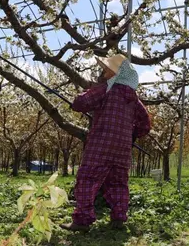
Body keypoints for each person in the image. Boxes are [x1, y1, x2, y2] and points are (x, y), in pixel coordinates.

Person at [60, 54, 151, 232]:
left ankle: (83, 220)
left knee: (87, 178)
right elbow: (145, 125)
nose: (104, 71)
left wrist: (86, 95)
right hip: (122, 149)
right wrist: (131, 136)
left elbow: (80, 103)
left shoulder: (106, 89)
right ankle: (118, 218)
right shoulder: (134, 99)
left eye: (107, 69)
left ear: (116, 72)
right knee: (118, 182)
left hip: (100, 145)